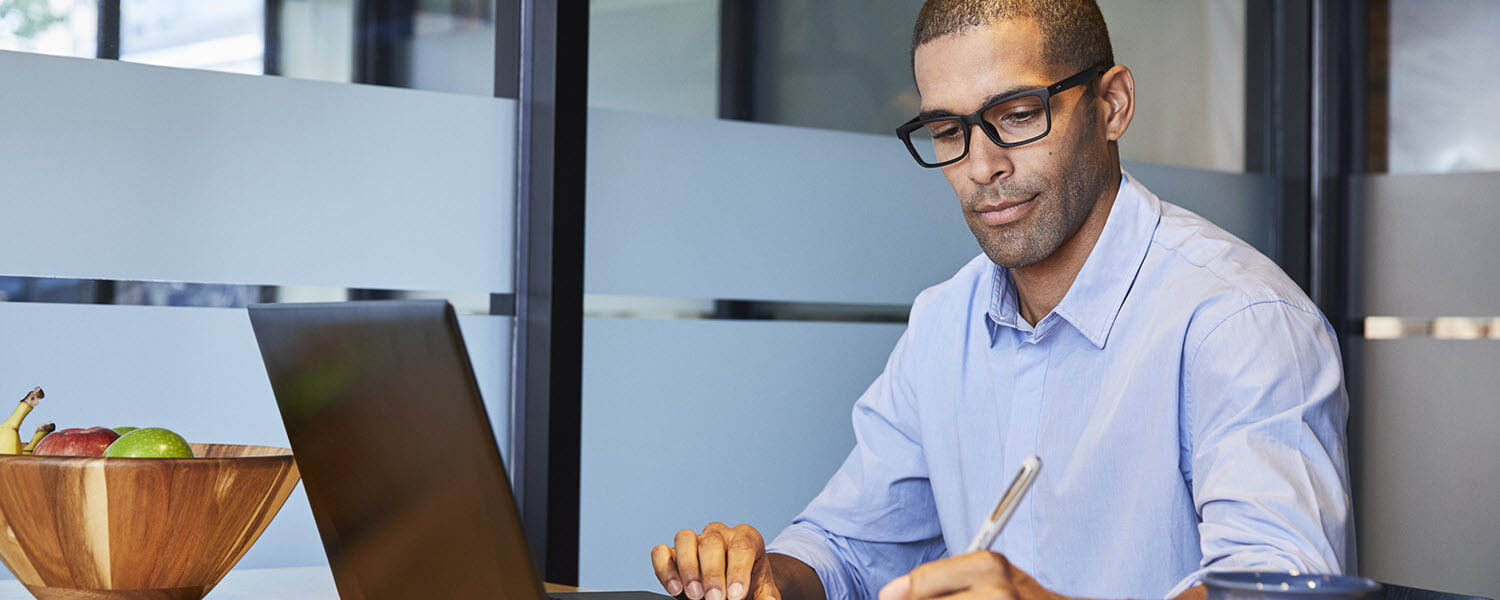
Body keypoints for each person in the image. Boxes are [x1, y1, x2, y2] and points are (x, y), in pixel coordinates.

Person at [649, 2, 1354, 600]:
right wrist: (758, 575)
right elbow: (849, 547)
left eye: (1017, 115)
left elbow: (1271, 585)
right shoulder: (945, 322)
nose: (983, 167)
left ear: (1112, 105)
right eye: (949, 132)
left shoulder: (1239, 321)